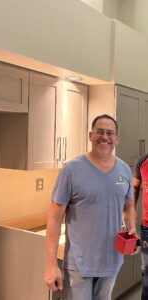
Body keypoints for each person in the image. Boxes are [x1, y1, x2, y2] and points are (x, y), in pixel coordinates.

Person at [44, 114, 136, 300]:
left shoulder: (124, 169)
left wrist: (131, 229)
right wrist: (51, 265)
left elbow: (128, 207)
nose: (105, 137)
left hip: (112, 259)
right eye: (99, 132)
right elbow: (54, 217)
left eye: (110, 133)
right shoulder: (72, 170)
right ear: (90, 136)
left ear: (117, 138)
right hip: (79, 264)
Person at [133, 153, 148, 300]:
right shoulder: (142, 161)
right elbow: (135, 187)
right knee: (147, 274)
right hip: (147, 230)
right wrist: (131, 210)